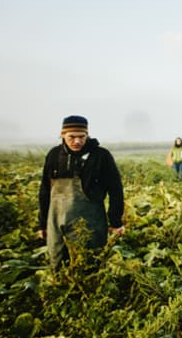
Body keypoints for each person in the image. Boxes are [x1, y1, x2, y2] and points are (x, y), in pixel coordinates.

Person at [38, 115, 125, 269]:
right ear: (62, 135)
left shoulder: (101, 156)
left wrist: (115, 221)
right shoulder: (54, 155)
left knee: (89, 264)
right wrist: (42, 223)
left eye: (81, 137)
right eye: (72, 137)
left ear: (87, 135)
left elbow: (115, 189)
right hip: (56, 221)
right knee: (58, 263)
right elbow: (45, 190)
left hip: (90, 223)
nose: (77, 141)